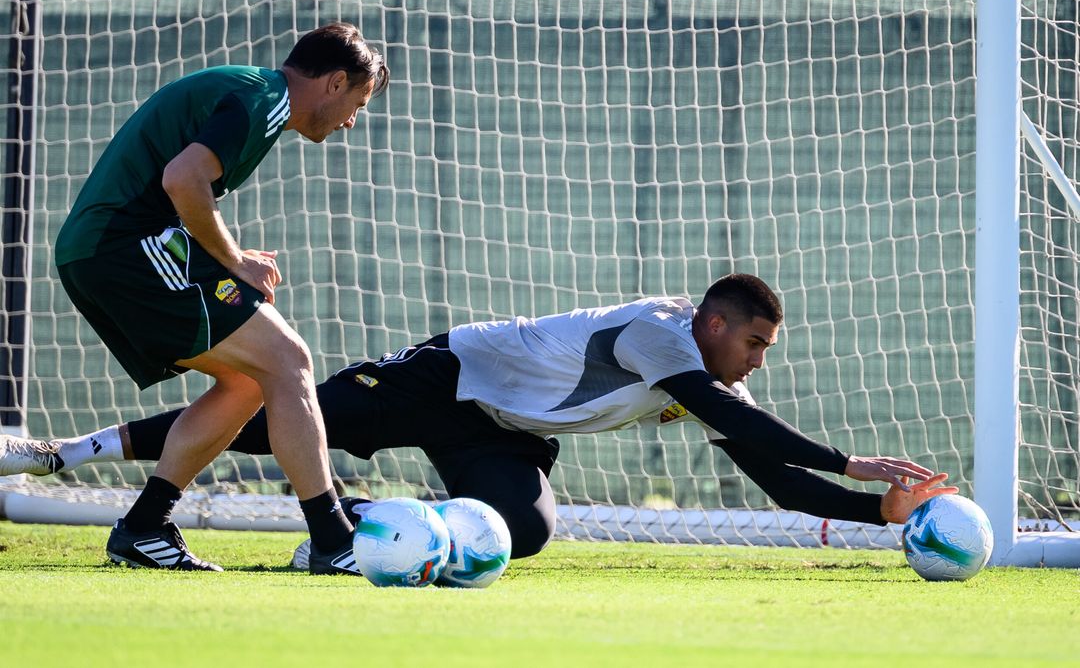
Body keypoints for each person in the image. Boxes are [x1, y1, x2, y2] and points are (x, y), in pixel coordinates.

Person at [2, 273, 955, 567]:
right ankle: (58, 453)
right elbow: (740, 422)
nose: (755, 362)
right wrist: (853, 460)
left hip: (497, 430)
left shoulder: (706, 373)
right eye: (754, 344)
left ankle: (366, 520)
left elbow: (770, 469)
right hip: (447, 376)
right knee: (271, 418)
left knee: (525, 531)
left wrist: (874, 512)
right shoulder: (666, 340)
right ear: (712, 323)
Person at [49, 22, 390, 574]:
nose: (352, 120)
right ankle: (332, 537)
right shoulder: (266, 99)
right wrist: (233, 260)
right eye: (358, 101)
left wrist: (226, 257)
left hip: (114, 249)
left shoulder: (254, 91)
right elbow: (183, 180)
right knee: (290, 361)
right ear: (334, 82)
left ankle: (144, 527)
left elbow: (179, 186)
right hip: (120, 249)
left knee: (252, 378)